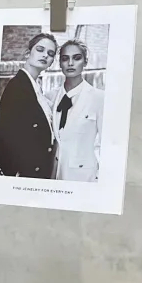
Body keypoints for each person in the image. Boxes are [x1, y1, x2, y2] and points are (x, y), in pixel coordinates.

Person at [0, 32, 57, 178]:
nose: (45, 55)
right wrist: (14, 173)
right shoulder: (17, 86)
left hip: (40, 171)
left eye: (50, 53)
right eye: (40, 49)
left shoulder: (35, 87)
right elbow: (3, 135)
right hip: (26, 173)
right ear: (28, 53)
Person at [52, 39, 104, 182]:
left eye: (76, 58)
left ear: (85, 62)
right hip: (54, 176)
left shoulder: (99, 98)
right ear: (60, 63)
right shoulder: (51, 97)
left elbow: (106, 145)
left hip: (85, 178)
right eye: (65, 59)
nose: (70, 63)